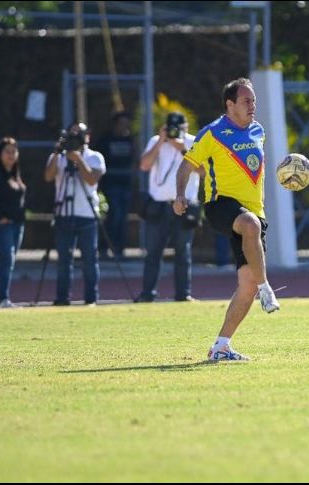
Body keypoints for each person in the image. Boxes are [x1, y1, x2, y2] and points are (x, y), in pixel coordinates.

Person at [173, 77, 280, 362]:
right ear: (229, 104)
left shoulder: (259, 130)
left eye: (253, 100)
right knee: (250, 226)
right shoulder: (212, 133)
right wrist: (180, 195)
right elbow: (186, 165)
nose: (252, 105)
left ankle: (221, 346)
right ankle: (266, 287)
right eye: (246, 100)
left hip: (253, 212)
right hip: (220, 205)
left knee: (245, 286)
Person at [134, 112, 200, 303]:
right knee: (153, 252)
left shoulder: (193, 142)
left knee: (183, 252)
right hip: (159, 206)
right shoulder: (157, 140)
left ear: (186, 127)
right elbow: (144, 165)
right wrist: (161, 141)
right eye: (171, 127)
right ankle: (148, 294)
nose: (175, 131)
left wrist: (181, 148)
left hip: (184, 205)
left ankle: (183, 294)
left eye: (178, 128)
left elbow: (203, 171)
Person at [44, 122, 106, 306]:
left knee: (89, 259)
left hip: (86, 214)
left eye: (79, 135)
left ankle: (91, 298)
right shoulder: (59, 157)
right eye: (72, 135)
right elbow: (48, 176)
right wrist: (57, 152)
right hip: (63, 214)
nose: (75, 139)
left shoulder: (94, 157)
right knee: (64, 259)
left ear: (87, 137)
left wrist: (78, 160)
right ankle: (62, 298)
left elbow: (91, 180)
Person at [0, 137, 25, 308]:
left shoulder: (15, 173)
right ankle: (3, 299)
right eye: (7, 152)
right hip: (1, 224)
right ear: (0, 153)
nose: (11, 155)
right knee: (7, 259)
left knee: (10, 261)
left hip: (17, 224)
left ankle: (5, 298)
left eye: (14, 151)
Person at [94, 111, 136, 259]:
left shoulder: (130, 139)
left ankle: (119, 249)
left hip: (125, 183)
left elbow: (133, 160)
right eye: (121, 124)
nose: (123, 127)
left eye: (126, 124)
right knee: (114, 215)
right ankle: (104, 247)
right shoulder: (105, 140)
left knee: (122, 217)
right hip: (110, 184)